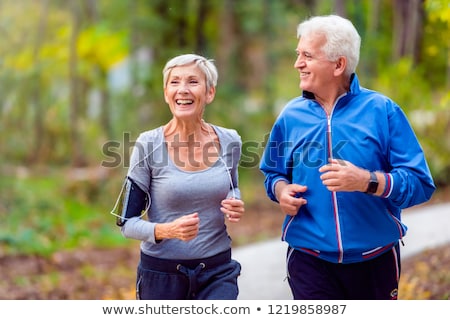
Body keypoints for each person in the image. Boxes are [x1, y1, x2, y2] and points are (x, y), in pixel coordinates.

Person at [259, 14, 435, 300]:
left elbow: (419, 184)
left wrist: (367, 181)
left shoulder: (383, 111)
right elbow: (273, 173)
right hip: (308, 260)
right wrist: (281, 191)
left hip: (375, 261)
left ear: (338, 64)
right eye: (298, 54)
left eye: (307, 55)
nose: (297, 63)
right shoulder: (290, 116)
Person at [112, 53, 245, 300]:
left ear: (209, 93)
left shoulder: (230, 140)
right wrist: (167, 230)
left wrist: (234, 201)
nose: (182, 90)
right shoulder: (147, 144)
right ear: (166, 94)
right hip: (162, 276)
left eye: (193, 82)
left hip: (217, 271)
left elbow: (232, 186)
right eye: (175, 82)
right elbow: (126, 223)